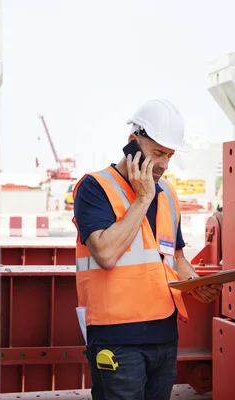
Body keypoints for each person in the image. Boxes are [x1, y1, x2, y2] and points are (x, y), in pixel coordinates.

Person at [71, 99, 222, 400]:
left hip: (164, 337)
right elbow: (106, 254)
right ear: (133, 143)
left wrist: (194, 283)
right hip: (117, 338)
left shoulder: (167, 193)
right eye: (157, 153)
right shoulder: (95, 188)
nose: (165, 165)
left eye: (169, 155)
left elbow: (174, 255)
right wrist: (142, 199)